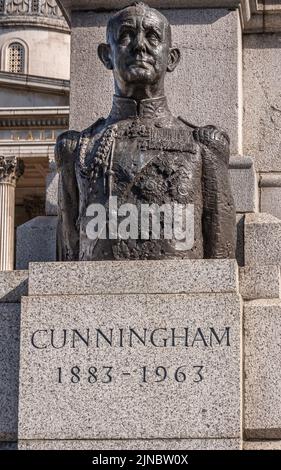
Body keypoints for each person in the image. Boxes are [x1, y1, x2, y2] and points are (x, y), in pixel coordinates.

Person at [55, 2, 236, 261]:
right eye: (126, 36)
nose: (140, 45)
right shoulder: (77, 149)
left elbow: (221, 260)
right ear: (107, 55)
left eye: (153, 36)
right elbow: (69, 253)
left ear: (171, 58)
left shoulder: (204, 145)